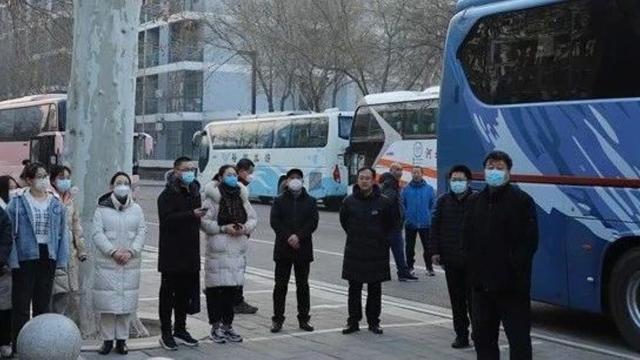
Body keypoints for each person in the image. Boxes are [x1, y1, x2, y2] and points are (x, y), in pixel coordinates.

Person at [464, 151, 538, 360]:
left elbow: (529, 243)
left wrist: (512, 269)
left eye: (499, 168)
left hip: (512, 288)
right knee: (483, 340)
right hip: (481, 289)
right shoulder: (475, 202)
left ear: (508, 172)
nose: (494, 171)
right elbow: (467, 240)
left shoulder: (522, 201)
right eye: (490, 167)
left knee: (519, 341)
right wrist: (473, 272)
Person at [6, 163, 69, 354]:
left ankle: (40, 346)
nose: (43, 180)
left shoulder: (55, 203)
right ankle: (19, 345)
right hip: (25, 255)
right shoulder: (17, 202)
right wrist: (13, 260)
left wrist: (61, 260)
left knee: (43, 303)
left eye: (45, 176)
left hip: (47, 255)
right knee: (21, 304)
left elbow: (62, 233)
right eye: (39, 176)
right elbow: (9, 234)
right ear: (30, 179)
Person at [201, 165, 257, 344]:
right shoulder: (212, 197)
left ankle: (228, 326)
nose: (233, 177)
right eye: (229, 175)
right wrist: (224, 228)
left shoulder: (242, 196)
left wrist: (245, 228)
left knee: (231, 291)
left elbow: (253, 218)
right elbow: (205, 222)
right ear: (221, 177)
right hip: (218, 251)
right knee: (215, 291)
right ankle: (215, 327)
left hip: (236, 250)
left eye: (234, 175)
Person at [92, 172, 146, 355]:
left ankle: (122, 341)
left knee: (125, 304)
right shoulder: (101, 209)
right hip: (108, 263)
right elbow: (97, 234)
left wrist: (131, 251)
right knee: (108, 305)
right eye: (118, 182)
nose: (122, 185)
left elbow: (141, 231)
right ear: (111, 187)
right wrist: (113, 252)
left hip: (130, 262)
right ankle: (107, 341)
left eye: (125, 183)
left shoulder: (137, 209)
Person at [340, 167, 394, 335]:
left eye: (368, 178)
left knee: (375, 289)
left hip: (376, 252)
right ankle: (353, 322)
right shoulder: (348, 201)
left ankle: (374, 322)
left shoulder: (384, 202)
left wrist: (379, 239)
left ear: (373, 180)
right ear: (358, 180)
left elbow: (391, 224)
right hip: (354, 251)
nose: (364, 181)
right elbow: (345, 222)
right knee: (354, 289)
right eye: (362, 178)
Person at [157, 157, 203, 351]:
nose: (189, 172)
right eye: (186, 169)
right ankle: (166, 333)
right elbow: (167, 220)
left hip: (190, 252)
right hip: (172, 253)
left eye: (192, 169)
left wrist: (196, 215)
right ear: (175, 171)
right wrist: (192, 214)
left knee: (185, 294)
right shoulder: (167, 195)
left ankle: (181, 329)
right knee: (168, 295)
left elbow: (196, 222)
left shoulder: (194, 192)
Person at [430, 165, 475, 349]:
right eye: (454, 180)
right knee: (457, 302)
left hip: (473, 262)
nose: (457, 183)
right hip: (451, 260)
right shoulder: (443, 201)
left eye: (460, 180)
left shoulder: (477, 200)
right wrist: (434, 252)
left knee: (475, 303)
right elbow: (435, 228)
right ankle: (461, 335)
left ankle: (479, 335)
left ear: (468, 181)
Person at [269, 168, 319, 333]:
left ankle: (304, 319)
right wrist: (288, 237)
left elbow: (313, 223)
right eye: (292, 178)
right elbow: (275, 222)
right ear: (287, 181)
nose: (295, 180)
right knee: (280, 286)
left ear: (302, 181)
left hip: (303, 249)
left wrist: (299, 236)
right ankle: (277, 319)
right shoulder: (279, 200)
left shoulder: (311, 201)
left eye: (298, 177)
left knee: (303, 286)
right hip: (283, 248)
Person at [49, 165, 88, 326]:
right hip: (53, 251)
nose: (65, 181)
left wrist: (81, 250)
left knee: (70, 291)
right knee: (54, 291)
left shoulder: (70, 200)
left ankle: (65, 326)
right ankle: (51, 324)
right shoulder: (49, 197)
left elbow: (76, 226)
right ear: (53, 180)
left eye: (67, 177)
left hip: (70, 251)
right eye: (61, 177)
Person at [379, 164, 417, 281]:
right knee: (397, 250)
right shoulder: (391, 184)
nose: (399, 172)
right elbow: (387, 204)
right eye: (396, 170)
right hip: (392, 225)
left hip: (394, 225)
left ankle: (400, 272)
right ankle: (401, 272)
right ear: (390, 171)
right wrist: (394, 220)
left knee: (396, 250)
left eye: (401, 170)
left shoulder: (391, 183)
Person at [233, 158, 259, 315]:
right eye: (249, 172)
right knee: (237, 268)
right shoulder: (237, 188)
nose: (251, 176)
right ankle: (237, 301)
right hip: (236, 235)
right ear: (241, 171)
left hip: (239, 234)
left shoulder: (239, 187)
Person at [402, 166, 436, 277]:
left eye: (418, 173)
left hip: (425, 223)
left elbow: (433, 205)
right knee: (409, 247)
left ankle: (429, 268)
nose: (416, 175)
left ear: (422, 174)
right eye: (414, 173)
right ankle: (410, 267)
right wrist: (406, 216)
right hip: (410, 223)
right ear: (411, 175)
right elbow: (403, 205)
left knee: (427, 247)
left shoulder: (429, 189)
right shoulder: (406, 189)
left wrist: (429, 216)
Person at [0, 178, 15, 358]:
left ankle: (4, 342)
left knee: (4, 309)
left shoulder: (2, 214)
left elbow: (6, 236)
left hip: (2, 267)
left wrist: (1, 259)